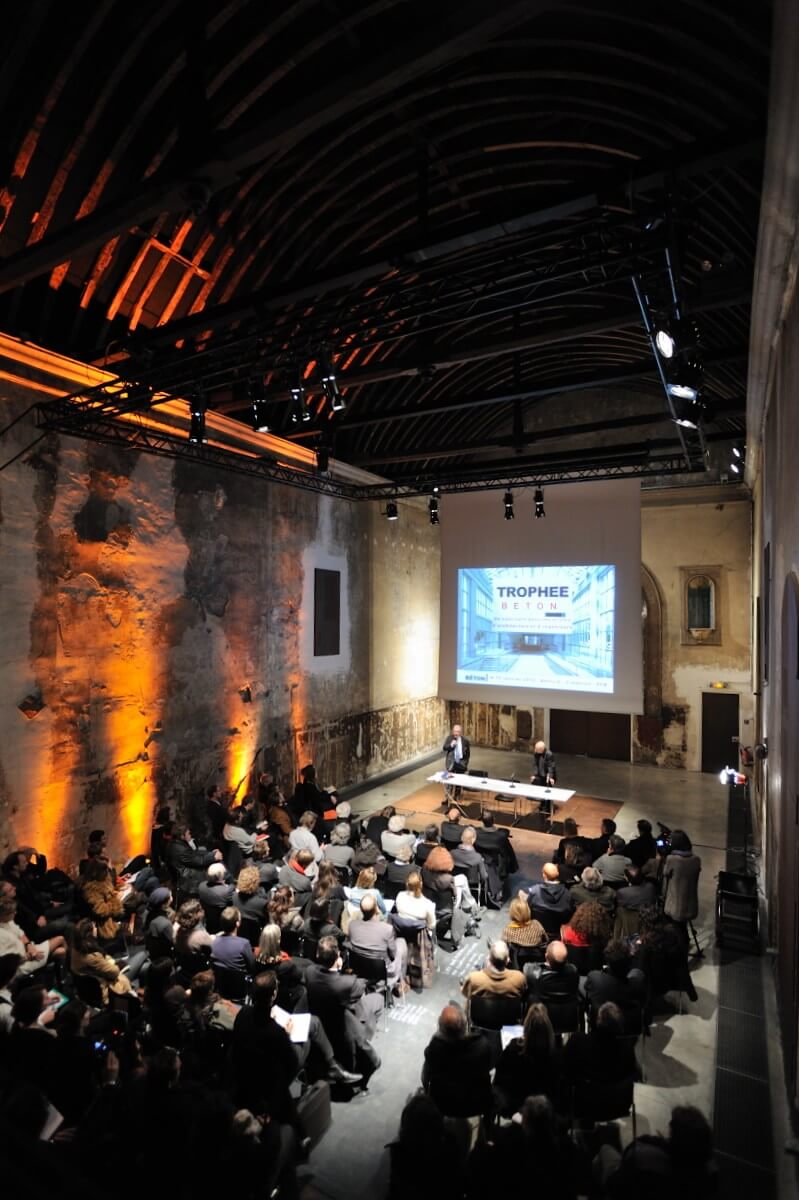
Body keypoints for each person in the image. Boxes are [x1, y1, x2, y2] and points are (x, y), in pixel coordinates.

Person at [304, 935, 382, 1074]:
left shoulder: (309, 972)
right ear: (338, 956)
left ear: (317, 954)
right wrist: (339, 970)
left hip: (321, 1016)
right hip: (340, 1022)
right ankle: (366, 1038)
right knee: (377, 1000)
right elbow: (358, 994)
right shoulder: (348, 983)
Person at [421, 1002, 492, 1118]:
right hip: (475, 1105)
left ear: (441, 1031)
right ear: (465, 1025)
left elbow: (425, 1078)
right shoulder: (482, 1045)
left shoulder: (435, 1048)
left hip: (444, 1106)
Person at [492, 1003, 565, 1115]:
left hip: (517, 1105)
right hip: (549, 1106)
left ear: (526, 1026)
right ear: (549, 1027)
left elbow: (500, 1073)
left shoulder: (514, 1048)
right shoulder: (557, 1053)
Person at [0, 882, 66, 975]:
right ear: (3, 915)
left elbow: (20, 933)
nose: (15, 913)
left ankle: (61, 977)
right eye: (12, 912)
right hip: (20, 965)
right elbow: (6, 963)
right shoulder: (1, 934)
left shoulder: (9, 921)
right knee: (61, 939)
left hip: (29, 950)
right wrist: (29, 956)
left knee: (61, 951)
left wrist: (29, 945)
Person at [347, 893, 407, 992]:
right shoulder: (387, 929)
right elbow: (393, 955)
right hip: (381, 970)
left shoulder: (352, 925)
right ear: (376, 909)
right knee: (401, 942)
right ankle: (401, 983)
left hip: (359, 967)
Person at [70, 918, 135, 1003]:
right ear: (89, 934)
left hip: (90, 988)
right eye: (94, 928)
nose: (96, 929)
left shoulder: (75, 949)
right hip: (107, 988)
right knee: (143, 958)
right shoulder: (92, 957)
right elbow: (114, 972)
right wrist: (112, 963)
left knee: (143, 962)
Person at [583, 938, 647, 1021]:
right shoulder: (637, 983)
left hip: (601, 1026)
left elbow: (586, 988)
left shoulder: (595, 977)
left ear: (607, 960)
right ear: (629, 961)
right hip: (629, 1027)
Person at [460, 939, 525, 1008]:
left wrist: (462, 986)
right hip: (509, 1016)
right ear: (507, 960)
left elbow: (465, 993)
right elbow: (523, 994)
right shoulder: (519, 977)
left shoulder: (474, 978)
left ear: (489, 959)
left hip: (482, 1015)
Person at [663, 829, 701, 939]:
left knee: (676, 932)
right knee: (682, 929)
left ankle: (679, 952)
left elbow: (665, 874)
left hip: (675, 905)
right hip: (690, 903)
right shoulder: (696, 859)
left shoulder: (672, 860)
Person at [526, 863, 575, 930]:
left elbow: (528, 910)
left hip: (537, 930)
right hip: (557, 931)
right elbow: (570, 914)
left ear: (544, 875)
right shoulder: (567, 894)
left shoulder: (535, 891)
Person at [211, 906, 256, 975]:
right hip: (239, 983)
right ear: (237, 924)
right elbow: (252, 967)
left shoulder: (212, 941)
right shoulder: (244, 944)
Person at [532, 739, 556, 815]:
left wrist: (550, 777)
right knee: (541, 789)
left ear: (542, 749)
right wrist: (535, 775)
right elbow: (536, 764)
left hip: (547, 774)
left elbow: (551, 766)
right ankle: (542, 805)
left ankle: (549, 808)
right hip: (540, 774)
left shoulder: (549, 754)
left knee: (548, 790)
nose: (535, 750)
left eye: (537, 749)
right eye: (535, 748)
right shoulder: (536, 753)